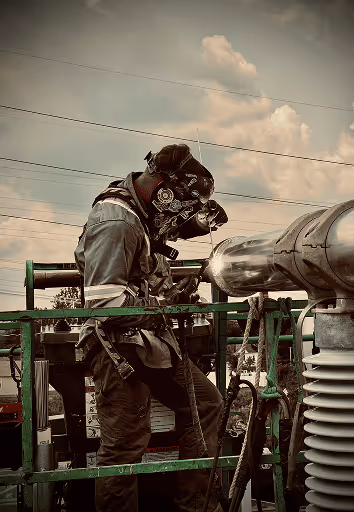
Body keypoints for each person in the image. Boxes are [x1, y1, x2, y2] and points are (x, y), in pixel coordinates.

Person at [74, 144, 228, 512]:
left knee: (207, 404)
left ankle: (195, 506)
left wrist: (175, 294)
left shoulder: (139, 218)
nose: (177, 221)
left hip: (146, 340)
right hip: (115, 346)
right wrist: (163, 307)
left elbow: (144, 282)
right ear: (164, 189)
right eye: (182, 206)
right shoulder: (117, 222)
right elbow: (106, 304)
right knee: (125, 444)